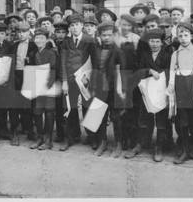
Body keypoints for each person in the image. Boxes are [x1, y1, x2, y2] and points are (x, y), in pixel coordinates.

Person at [125, 28, 172, 162]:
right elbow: (139, 70)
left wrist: (160, 73)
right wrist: (149, 70)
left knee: (161, 121)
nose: (154, 44)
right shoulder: (145, 55)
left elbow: (169, 72)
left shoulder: (166, 56)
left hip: (161, 92)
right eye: (152, 41)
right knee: (144, 119)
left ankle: (159, 147)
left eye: (157, 41)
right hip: (147, 92)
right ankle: (139, 144)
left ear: (162, 43)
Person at [167, 22, 193, 167]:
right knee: (182, 123)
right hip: (180, 92)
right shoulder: (175, 54)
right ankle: (185, 150)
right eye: (180, 35)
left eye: (186, 35)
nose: (183, 38)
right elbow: (172, 72)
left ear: (191, 36)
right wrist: (171, 86)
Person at [60, 13, 99, 151]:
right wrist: (64, 81)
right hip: (70, 79)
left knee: (88, 106)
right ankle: (71, 136)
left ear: (82, 26)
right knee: (69, 107)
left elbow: (95, 61)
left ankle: (93, 136)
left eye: (77, 25)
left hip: (85, 79)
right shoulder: (66, 42)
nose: (74, 28)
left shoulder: (90, 40)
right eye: (72, 25)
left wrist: (94, 80)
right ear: (69, 28)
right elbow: (63, 62)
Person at [90, 21, 127, 157]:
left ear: (114, 35)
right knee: (100, 117)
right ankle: (102, 142)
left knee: (116, 118)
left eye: (109, 35)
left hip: (113, 90)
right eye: (103, 35)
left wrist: (122, 91)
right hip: (100, 89)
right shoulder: (97, 50)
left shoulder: (118, 51)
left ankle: (118, 144)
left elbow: (123, 72)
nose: (106, 37)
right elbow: (94, 68)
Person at [29, 27, 59, 151]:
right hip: (36, 86)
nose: (39, 40)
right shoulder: (32, 54)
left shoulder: (51, 53)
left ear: (47, 40)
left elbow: (53, 71)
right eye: (37, 38)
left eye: (42, 38)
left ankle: (48, 140)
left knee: (49, 113)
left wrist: (47, 86)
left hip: (48, 86)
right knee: (37, 112)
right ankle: (40, 137)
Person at [10, 21, 37, 146]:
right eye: (19, 32)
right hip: (16, 76)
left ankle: (30, 130)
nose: (21, 35)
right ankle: (14, 132)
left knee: (29, 104)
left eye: (24, 32)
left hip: (29, 75)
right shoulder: (14, 45)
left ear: (29, 32)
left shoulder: (34, 45)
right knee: (15, 104)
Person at [116, 14, 140, 150]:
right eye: (123, 24)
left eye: (128, 25)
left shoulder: (136, 39)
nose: (125, 27)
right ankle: (122, 139)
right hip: (119, 74)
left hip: (132, 75)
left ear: (132, 26)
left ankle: (132, 138)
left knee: (132, 109)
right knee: (120, 109)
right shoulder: (115, 39)